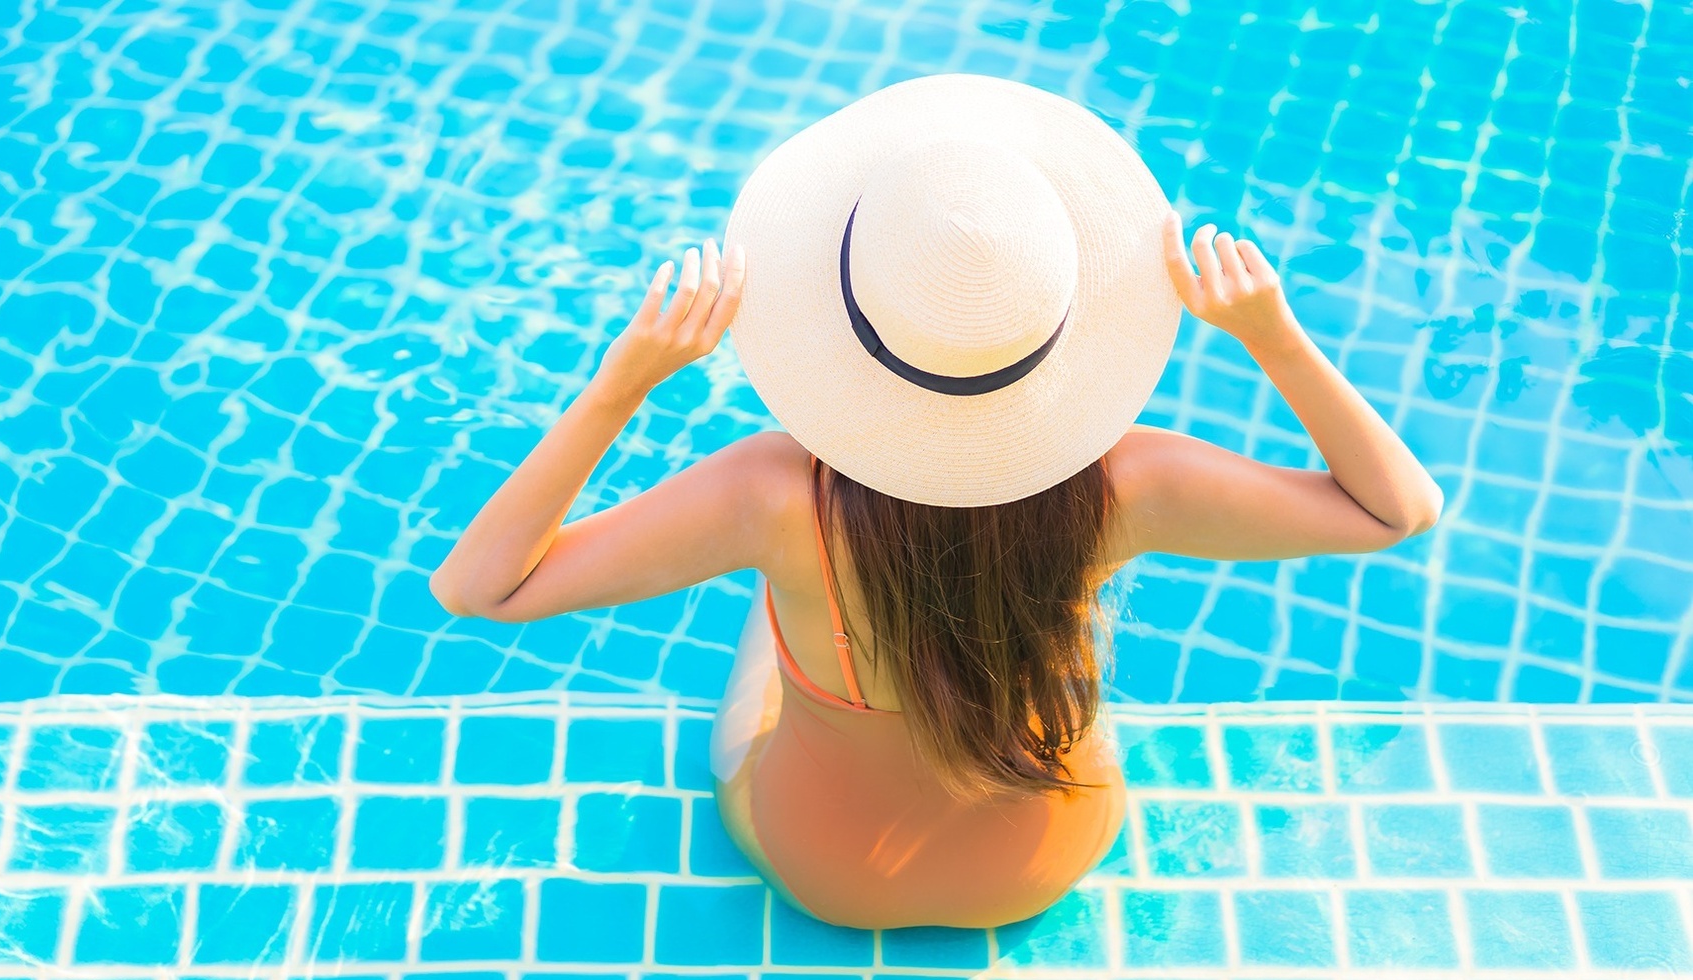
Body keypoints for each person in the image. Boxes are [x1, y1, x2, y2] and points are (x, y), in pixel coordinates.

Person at [430, 74, 1443, 930]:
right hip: (1051, 856)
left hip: (830, 875)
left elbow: (481, 587)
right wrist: (1272, 336)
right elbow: (1396, 509)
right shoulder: (1126, 482)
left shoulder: (769, 495)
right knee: (1044, 616)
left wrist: (622, 381)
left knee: (774, 617)